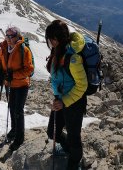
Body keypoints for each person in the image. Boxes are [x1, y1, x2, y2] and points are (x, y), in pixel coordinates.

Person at [45, 19, 88, 169]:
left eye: (50, 39)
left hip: (74, 102)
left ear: (56, 39)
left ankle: (74, 162)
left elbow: (82, 85)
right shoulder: (57, 52)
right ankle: (68, 148)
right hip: (60, 99)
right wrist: (59, 99)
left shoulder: (73, 58)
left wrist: (64, 101)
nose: (49, 42)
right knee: (52, 132)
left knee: (74, 137)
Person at [0, 25, 34, 151]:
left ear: (18, 36)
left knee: (18, 110)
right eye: (7, 35)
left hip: (22, 84)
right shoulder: (4, 48)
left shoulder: (24, 50)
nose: (8, 38)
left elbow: (29, 69)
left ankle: (19, 137)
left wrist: (13, 75)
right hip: (9, 84)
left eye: (11, 35)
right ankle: (14, 129)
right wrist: (0, 73)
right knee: (11, 107)